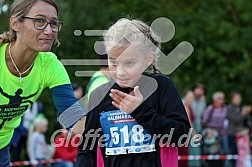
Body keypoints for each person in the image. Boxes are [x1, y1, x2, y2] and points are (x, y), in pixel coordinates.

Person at [76, 18, 191, 167]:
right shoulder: (99, 95)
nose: (120, 72)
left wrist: (141, 111)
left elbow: (182, 136)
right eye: (113, 62)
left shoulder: (161, 86)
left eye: (129, 63)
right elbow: (87, 149)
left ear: (147, 59)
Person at [0, 0, 85, 166]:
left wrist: (115, 123)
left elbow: (74, 118)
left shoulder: (50, 65)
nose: (49, 31)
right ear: (16, 23)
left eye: (53, 23)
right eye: (39, 21)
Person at [202, 91, 228, 167]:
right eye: (219, 99)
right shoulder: (210, 109)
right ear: (214, 100)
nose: (221, 101)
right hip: (212, 135)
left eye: (222, 99)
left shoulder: (225, 109)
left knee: (225, 152)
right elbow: (204, 122)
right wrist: (208, 131)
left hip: (223, 134)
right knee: (212, 154)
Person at [227, 91, 251, 167]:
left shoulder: (241, 108)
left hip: (244, 135)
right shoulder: (229, 108)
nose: (239, 99)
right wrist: (243, 113)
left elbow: (246, 122)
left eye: (239, 98)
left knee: (245, 155)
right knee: (235, 155)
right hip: (233, 135)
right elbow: (236, 120)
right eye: (236, 98)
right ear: (232, 99)